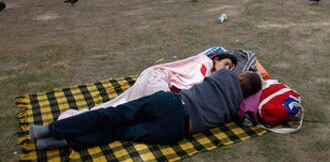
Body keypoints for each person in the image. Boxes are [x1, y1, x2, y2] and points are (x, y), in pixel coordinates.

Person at [29, 69, 262, 151]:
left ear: (240, 76)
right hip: (175, 130)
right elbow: (249, 108)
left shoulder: (224, 76)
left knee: (109, 115)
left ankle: (49, 129)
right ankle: (57, 143)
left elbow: (219, 67)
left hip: (170, 103)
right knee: (115, 132)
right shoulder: (235, 110)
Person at [58, 52, 238, 119]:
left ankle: (76, 118)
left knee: (121, 105)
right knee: (128, 111)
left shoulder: (209, 71)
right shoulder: (204, 63)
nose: (227, 69)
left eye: (231, 69)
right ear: (217, 59)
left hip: (156, 80)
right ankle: (77, 120)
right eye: (227, 64)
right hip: (158, 81)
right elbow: (194, 82)